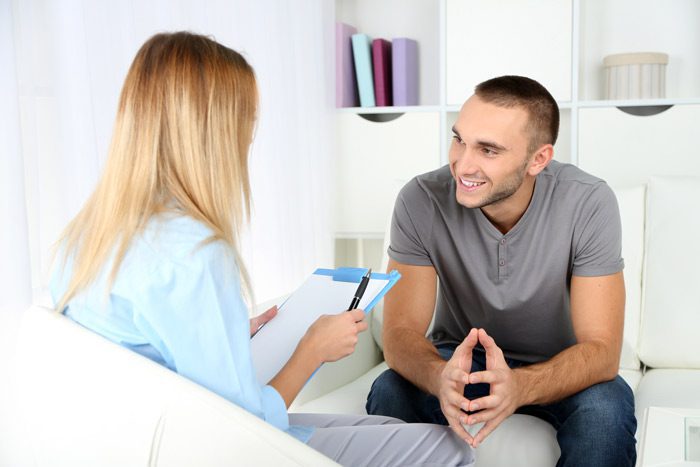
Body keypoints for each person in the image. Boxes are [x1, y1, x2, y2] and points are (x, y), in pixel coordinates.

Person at [50, 32, 474, 466]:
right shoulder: (193, 252)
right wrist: (313, 349)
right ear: (213, 129)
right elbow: (239, 429)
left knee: (388, 430)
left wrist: (231, 332)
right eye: (247, 117)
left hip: (135, 441)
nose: (251, 132)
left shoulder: (84, 239)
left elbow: (160, 349)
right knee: (448, 451)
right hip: (205, 450)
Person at [365, 75, 637, 466]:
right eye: (459, 139)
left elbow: (601, 351)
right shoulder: (420, 200)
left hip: (562, 363)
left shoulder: (589, 202)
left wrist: (520, 386)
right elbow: (400, 334)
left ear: (538, 159)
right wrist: (439, 377)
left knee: (606, 411)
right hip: (461, 357)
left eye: (488, 150)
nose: (463, 163)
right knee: (391, 390)